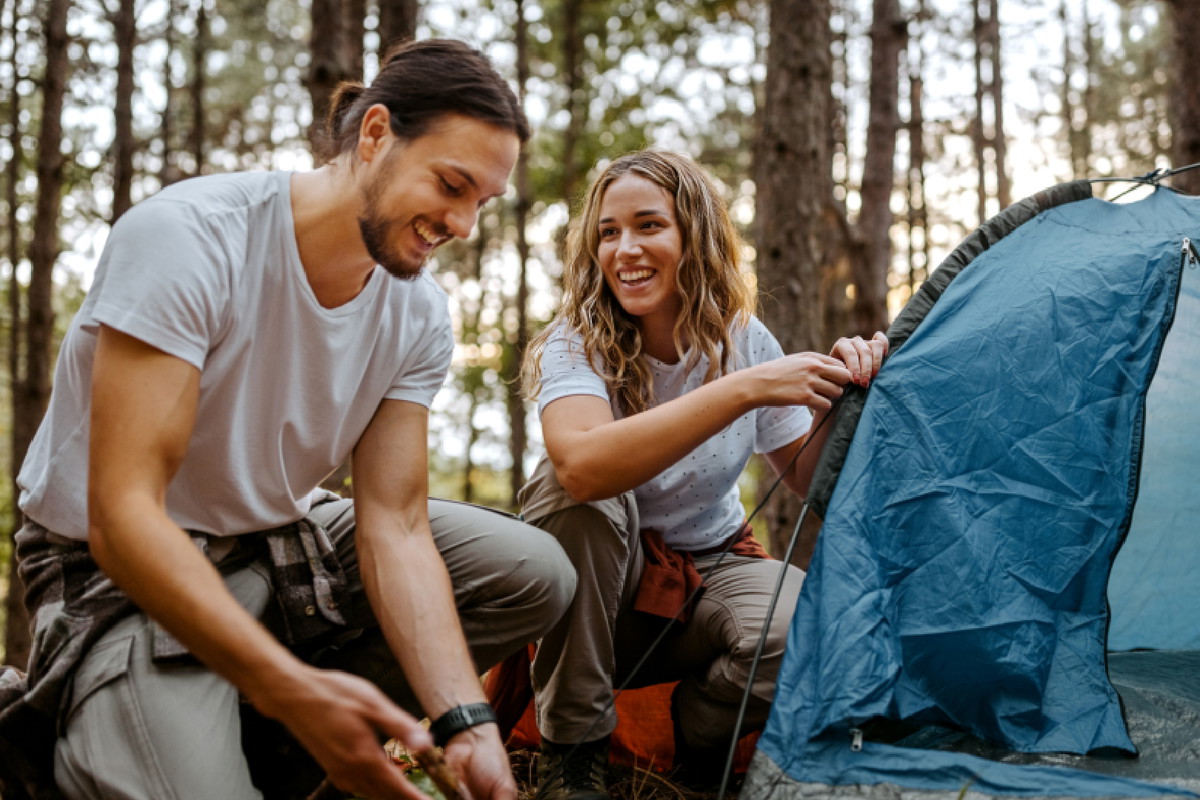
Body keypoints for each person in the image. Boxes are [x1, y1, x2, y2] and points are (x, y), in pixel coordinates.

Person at [0, 39, 575, 800]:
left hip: (277, 544)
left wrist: (464, 721)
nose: (464, 224)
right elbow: (124, 516)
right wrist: (293, 690)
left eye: (483, 202)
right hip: (117, 570)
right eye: (450, 184)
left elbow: (396, 527)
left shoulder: (418, 312)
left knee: (532, 572)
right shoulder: (189, 238)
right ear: (374, 136)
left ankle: (260, 743)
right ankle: (73, 728)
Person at [517, 149, 888, 800]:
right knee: (575, 495)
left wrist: (845, 392)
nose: (624, 249)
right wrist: (745, 390)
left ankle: (699, 738)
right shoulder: (575, 343)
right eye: (608, 232)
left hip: (709, 574)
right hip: (598, 597)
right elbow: (578, 468)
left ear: (696, 233)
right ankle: (571, 760)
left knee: (813, 627)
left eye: (649, 225)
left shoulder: (742, 339)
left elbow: (809, 481)